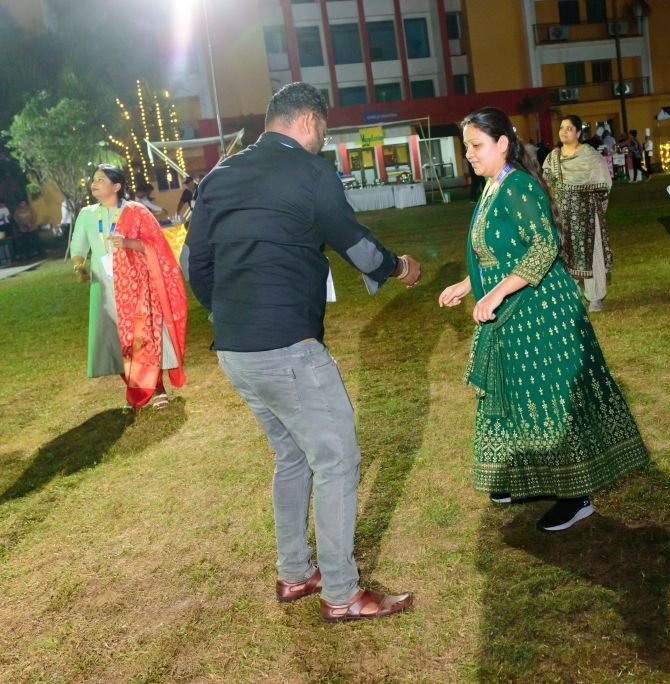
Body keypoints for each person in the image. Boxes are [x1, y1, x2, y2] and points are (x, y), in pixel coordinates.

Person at [185, 82, 419, 623]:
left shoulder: (220, 175)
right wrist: (400, 267)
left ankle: (295, 572)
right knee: (337, 460)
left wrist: (230, 313)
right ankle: (342, 592)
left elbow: (194, 262)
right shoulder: (311, 172)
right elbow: (356, 244)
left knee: (292, 456)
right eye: (325, 131)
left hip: (236, 350)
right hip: (286, 345)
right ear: (310, 122)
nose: (323, 141)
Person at [438, 107, 648, 532]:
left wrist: (496, 292)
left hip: (541, 312)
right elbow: (500, 251)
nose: (470, 154)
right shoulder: (493, 186)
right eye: (466, 147)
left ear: (502, 144)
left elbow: (543, 246)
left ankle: (576, 496)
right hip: (513, 310)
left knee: (550, 402)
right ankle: (521, 475)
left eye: (476, 146)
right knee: (516, 397)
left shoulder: (517, 185)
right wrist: (467, 284)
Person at [69, 165, 188, 410]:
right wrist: (79, 265)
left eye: (101, 179)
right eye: (94, 179)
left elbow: (156, 245)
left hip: (136, 286)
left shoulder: (136, 211)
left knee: (142, 338)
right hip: (104, 290)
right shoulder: (87, 214)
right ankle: (136, 391)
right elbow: (78, 245)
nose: (94, 184)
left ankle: (158, 389)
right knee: (118, 342)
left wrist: (128, 243)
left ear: (116, 186)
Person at [542, 114, 614, 312]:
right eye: (562, 128)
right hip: (562, 215)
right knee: (565, 254)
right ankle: (569, 294)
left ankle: (595, 297)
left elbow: (604, 183)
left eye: (569, 128)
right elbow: (545, 186)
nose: (564, 132)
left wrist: (594, 203)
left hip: (587, 214)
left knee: (592, 253)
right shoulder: (552, 158)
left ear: (578, 133)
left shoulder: (590, 156)